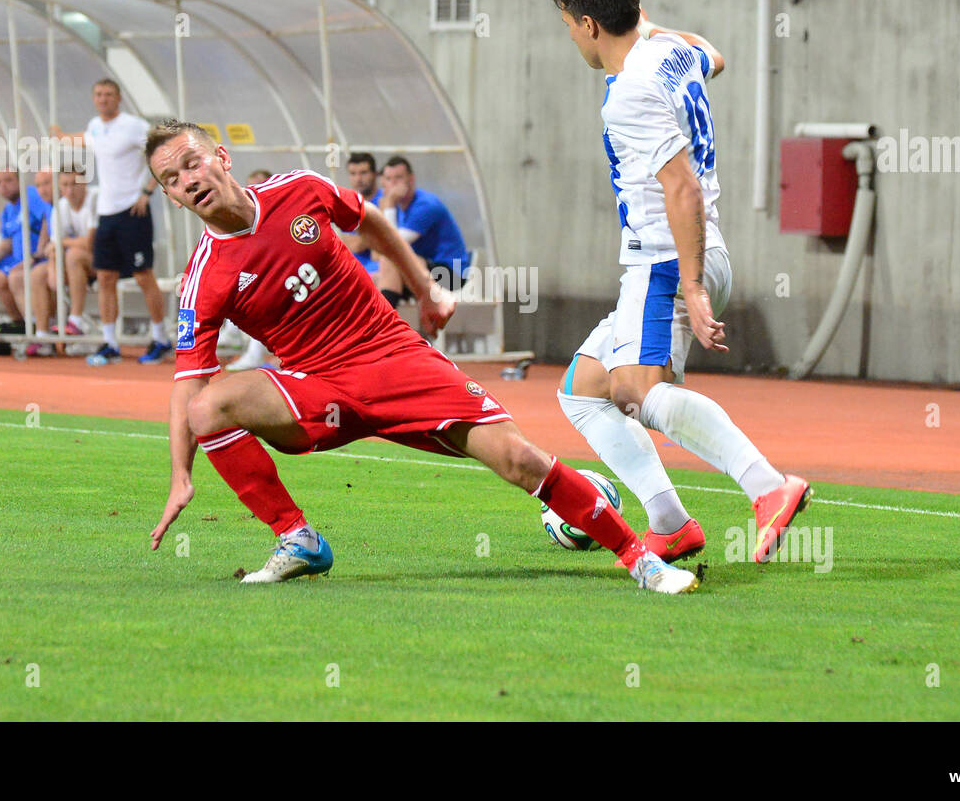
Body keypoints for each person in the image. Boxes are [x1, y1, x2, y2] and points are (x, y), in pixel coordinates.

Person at [144, 119, 697, 594]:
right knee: (208, 407)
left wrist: (427, 292)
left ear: (221, 156)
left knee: (517, 459)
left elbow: (375, 223)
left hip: (395, 359)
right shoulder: (204, 278)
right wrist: (179, 475)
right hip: (320, 389)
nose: (187, 182)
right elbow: (187, 383)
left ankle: (641, 561)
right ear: (170, 198)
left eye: (191, 164)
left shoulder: (301, 189)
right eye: (171, 180)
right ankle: (298, 538)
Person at [551, 0, 811, 566]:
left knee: (637, 392)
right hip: (697, 250)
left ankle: (767, 485)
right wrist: (643, 19)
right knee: (583, 390)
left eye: (568, 23)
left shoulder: (630, 92)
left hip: (666, 260)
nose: (569, 36)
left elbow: (682, 187)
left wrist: (690, 288)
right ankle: (670, 522)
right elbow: (713, 54)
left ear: (590, 25)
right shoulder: (671, 54)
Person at [51, 79, 171, 367]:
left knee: (143, 275)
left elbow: (163, 155)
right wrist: (61, 136)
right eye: (98, 94)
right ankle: (110, 343)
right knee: (105, 277)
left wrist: (147, 192)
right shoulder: (95, 125)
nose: (103, 99)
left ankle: (161, 337)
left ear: (119, 98)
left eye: (108, 94)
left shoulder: (133, 125)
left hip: (133, 212)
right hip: (107, 213)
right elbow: (85, 138)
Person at [0, 168, 51, 347]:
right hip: (16, 259)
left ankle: (32, 328)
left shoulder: (31, 196)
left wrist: (37, 254)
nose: (3, 186)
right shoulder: (7, 211)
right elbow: (6, 244)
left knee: (4, 278)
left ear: (20, 181)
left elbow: (46, 219)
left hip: (37, 259)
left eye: (8, 181)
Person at [374, 156, 472, 309]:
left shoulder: (426, 205)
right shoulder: (398, 208)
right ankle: (382, 322)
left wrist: (390, 204)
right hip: (423, 271)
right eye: (388, 179)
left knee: (390, 261)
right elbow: (378, 250)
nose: (393, 184)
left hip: (451, 274)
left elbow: (392, 244)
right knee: (371, 279)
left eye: (398, 178)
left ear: (411, 180)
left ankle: (382, 322)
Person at [35, 167, 99, 347]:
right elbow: (54, 249)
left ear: (84, 184)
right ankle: (42, 336)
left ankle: (75, 320)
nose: (70, 190)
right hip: (75, 263)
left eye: (75, 184)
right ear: (60, 187)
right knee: (38, 274)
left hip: (103, 261)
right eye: (65, 185)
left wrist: (62, 243)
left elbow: (89, 244)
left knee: (74, 255)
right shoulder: (60, 207)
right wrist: (52, 268)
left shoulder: (94, 199)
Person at [223, 169, 275, 373]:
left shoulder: (278, 216)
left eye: (260, 185)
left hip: (292, 283)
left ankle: (252, 351)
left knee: (259, 287)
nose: (255, 191)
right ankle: (232, 332)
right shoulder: (247, 221)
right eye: (250, 187)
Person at [337, 151, 380, 276]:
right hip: (353, 267)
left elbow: (372, 251)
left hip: (376, 269)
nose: (358, 179)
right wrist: (374, 237)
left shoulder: (385, 201)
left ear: (375, 174)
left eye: (363, 173)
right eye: (353, 174)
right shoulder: (348, 203)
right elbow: (353, 245)